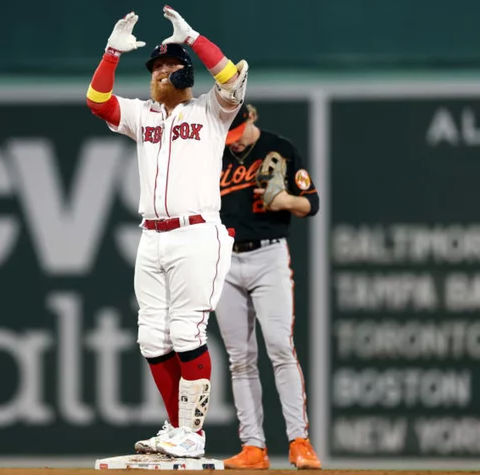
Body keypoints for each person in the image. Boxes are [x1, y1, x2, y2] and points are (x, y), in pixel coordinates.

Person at [85, 6, 248, 459]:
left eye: (168, 67)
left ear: (186, 74)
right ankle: (175, 427)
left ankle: (192, 435)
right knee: (152, 336)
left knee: (186, 331)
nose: (159, 74)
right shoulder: (144, 116)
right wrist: (111, 54)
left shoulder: (211, 112)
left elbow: (231, 79)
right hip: (152, 235)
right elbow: (98, 102)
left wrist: (193, 38)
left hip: (197, 233)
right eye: (155, 68)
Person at [215, 104, 322, 470]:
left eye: (239, 130)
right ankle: (253, 448)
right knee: (240, 358)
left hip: (268, 257)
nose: (236, 140)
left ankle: (299, 442)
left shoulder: (281, 148)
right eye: (229, 133)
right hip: (224, 260)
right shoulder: (214, 150)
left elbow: (312, 203)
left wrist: (284, 200)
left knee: (279, 346)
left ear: (252, 117)